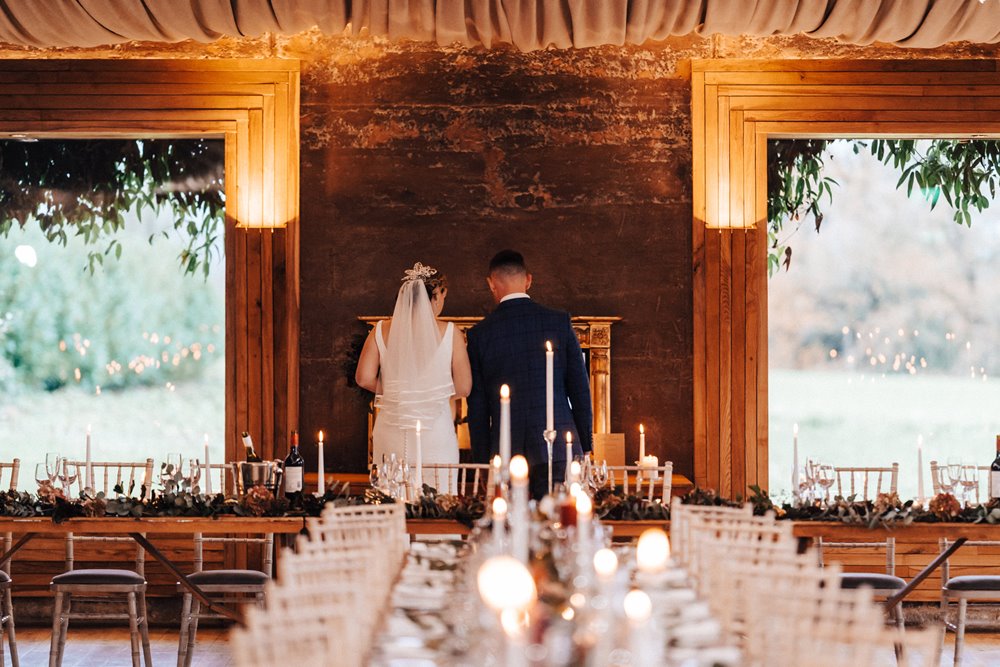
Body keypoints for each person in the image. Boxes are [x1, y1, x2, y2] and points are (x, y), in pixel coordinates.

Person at [466, 250, 593, 499]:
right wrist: (586, 447)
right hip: (559, 448)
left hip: (506, 450)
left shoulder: (480, 334)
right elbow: (580, 389)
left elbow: (477, 407)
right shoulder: (559, 322)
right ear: (528, 280)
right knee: (560, 526)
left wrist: (482, 464)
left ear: (491, 284)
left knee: (511, 530)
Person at [356, 263, 472, 479]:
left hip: (390, 431)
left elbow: (363, 378)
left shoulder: (380, 329)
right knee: (438, 502)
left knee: (391, 499)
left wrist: (394, 392)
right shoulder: (451, 332)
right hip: (435, 431)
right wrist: (431, 395)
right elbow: (464, 387)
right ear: (436, 295)